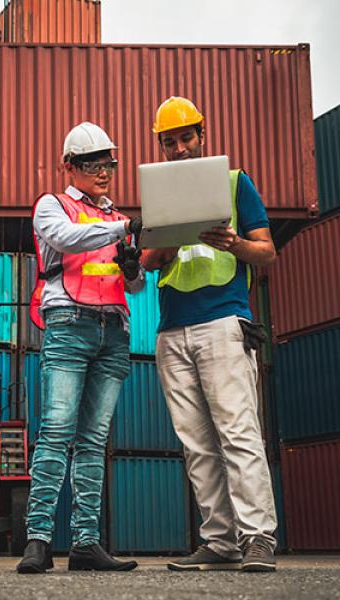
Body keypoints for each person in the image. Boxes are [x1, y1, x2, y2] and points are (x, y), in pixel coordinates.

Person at [143, 97, 278, 572]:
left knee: (238, 432)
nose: (179, 148)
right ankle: (219, 540)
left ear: (203, 134)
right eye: (169, 141)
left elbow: (266, 252)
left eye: (185, 138)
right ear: (160, 145)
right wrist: (172, 236)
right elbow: (148, 262)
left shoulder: (235, 183)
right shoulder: (156, 193)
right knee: (197, 443)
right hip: (172, 329)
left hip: (223, 321)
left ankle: (257, 536)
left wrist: (235, 243)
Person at [16, 122, 144, 574]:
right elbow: (68, 239)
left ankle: (86, 544)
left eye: (108, 162)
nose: (103, 172)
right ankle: (38, 541)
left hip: (114, 330)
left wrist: (132, 267)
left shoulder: (115, 217)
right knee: (56, 432)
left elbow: (137, 285)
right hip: (68, 324)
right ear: (69, 166)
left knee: (93, 441)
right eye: (92, 164)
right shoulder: (52, 206)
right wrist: (124, 229)